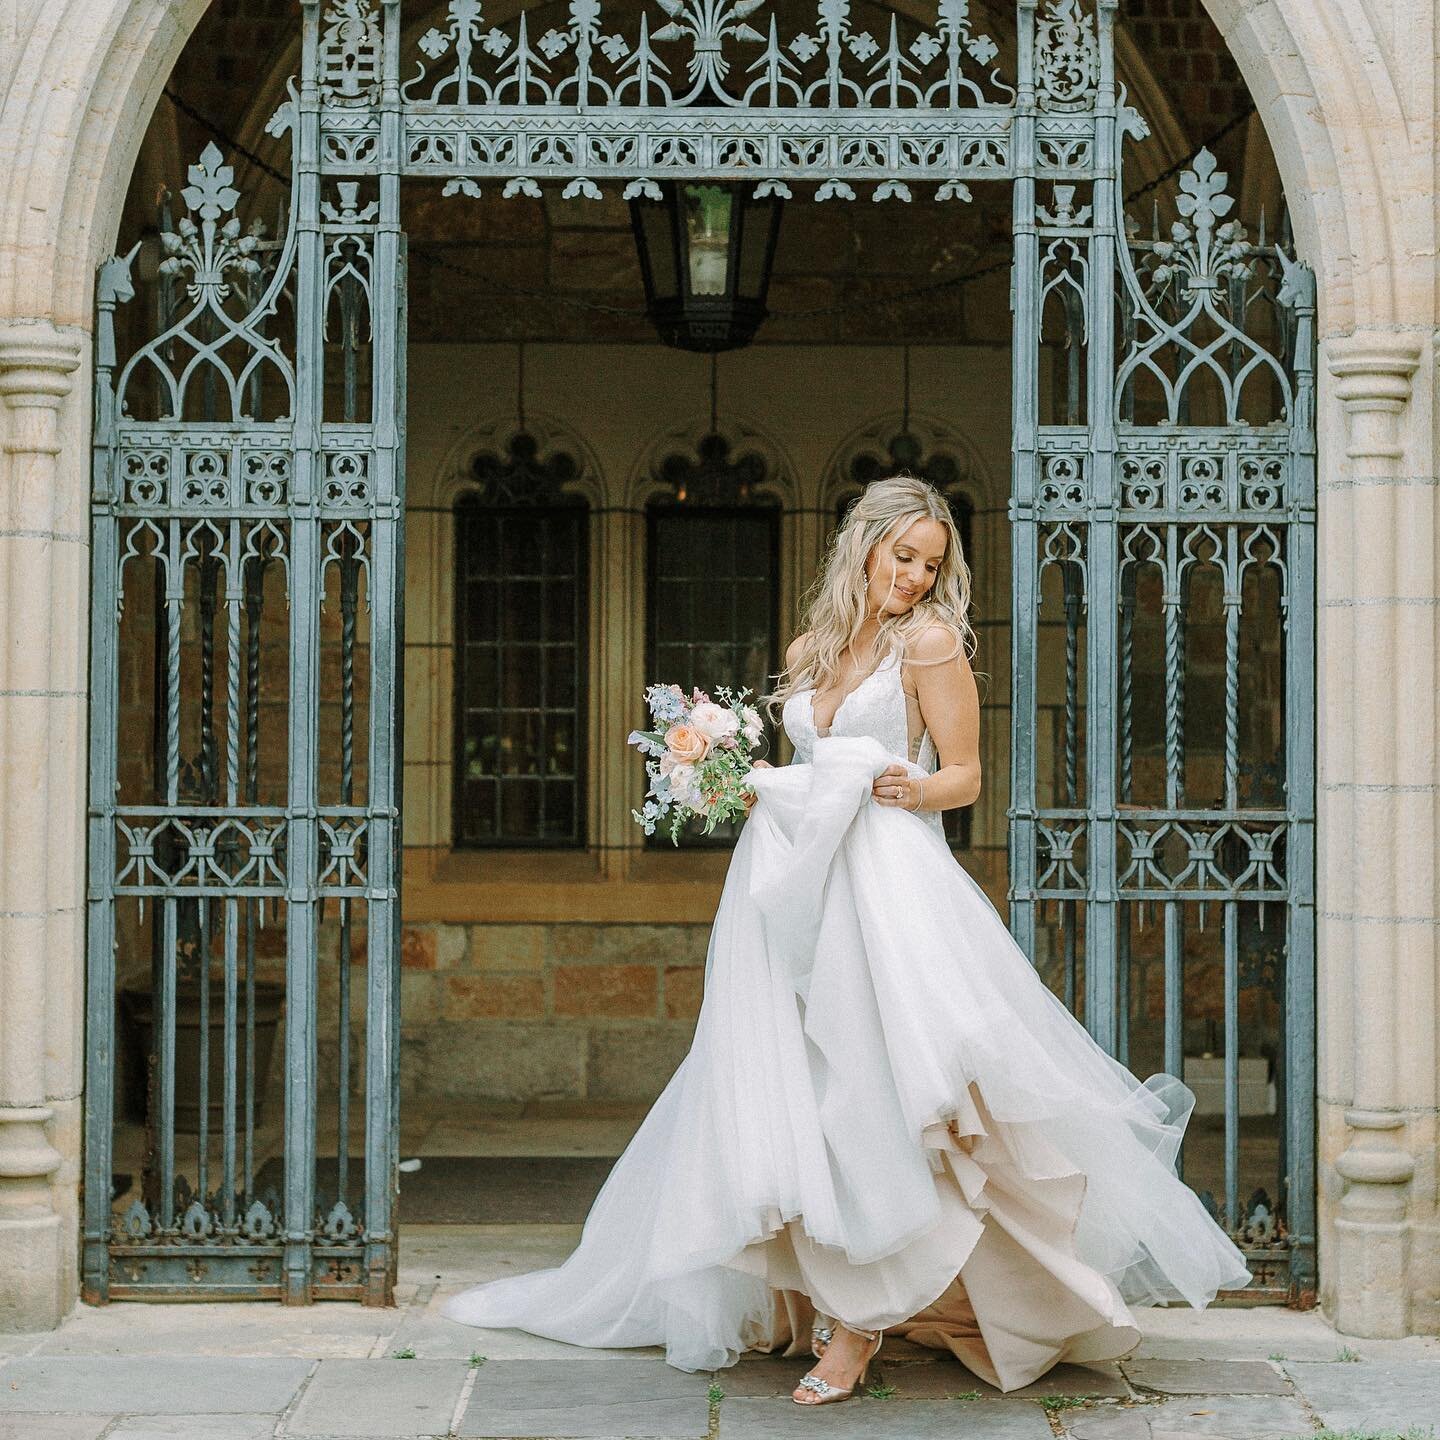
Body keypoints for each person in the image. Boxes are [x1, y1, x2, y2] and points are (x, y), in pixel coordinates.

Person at [442, 473, 1252, 1404]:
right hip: (790, 883)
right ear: (862, 545)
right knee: (791, 1085)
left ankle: (858, 1329)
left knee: (877, 1092)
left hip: (888, 885)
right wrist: (728, 776)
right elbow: (802, 767)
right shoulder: (811, 646)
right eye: (901, 556)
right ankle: (807, 1297)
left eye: (930, 564)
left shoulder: (931, 642)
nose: (913, 578)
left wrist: (911, 786)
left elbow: (968, 776)